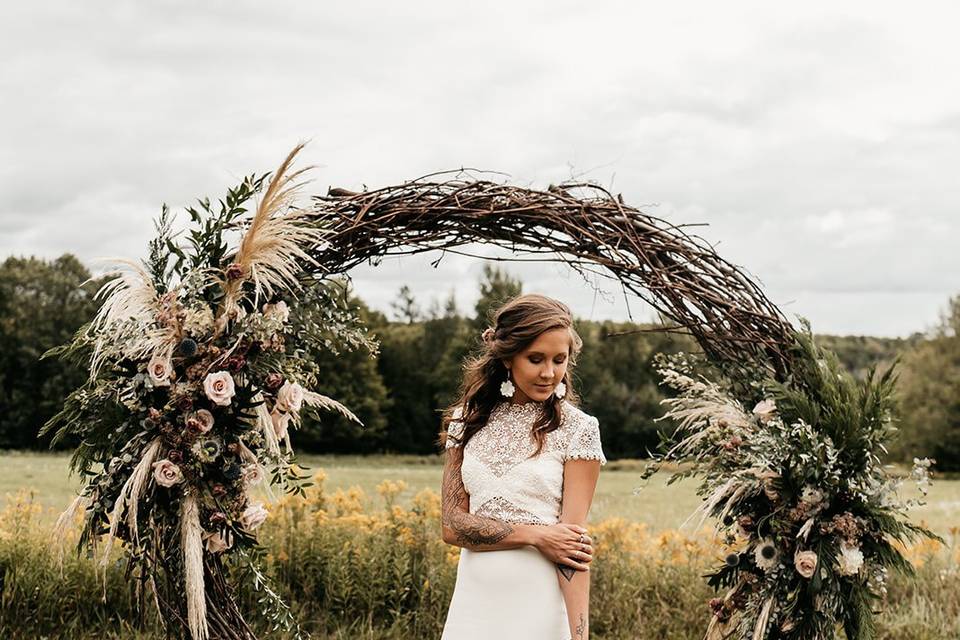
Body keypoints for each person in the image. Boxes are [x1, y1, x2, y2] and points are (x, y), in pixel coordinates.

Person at [439, 293, 607, 640]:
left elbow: (572, 549)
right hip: (473, 606)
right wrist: (538, 535)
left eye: (559, 360)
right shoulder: (465, 421)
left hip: (540, 607)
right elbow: (452, 527)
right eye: (536, 359)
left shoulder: (579, 429)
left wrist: (581, 637)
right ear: (507, 358)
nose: (550, 373)